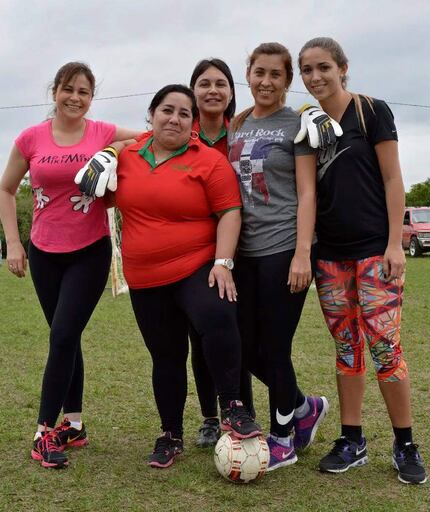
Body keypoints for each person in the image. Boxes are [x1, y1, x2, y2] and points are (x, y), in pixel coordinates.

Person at [0, 61, 141, 469]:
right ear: (54, 91)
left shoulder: (102, 132)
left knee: (62, 335)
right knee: (66, 336)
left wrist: (113, 150)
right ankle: (74, 424)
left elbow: (148, 139)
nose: (75, 98)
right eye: (68, 89)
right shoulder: (31, 138)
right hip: (43, 253)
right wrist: (12, 243)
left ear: (92, 98)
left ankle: (44, 432)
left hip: (89, 251)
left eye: (84, 92)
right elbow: (6, 190)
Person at [298, 36, 427, 484]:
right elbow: (308, 192)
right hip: (330, 257)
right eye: (307, 70)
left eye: (323, 68)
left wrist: (395, 244)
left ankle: (405, 443)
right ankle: (351, 440)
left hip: (375, 251)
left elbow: (393, 178)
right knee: (347, 347)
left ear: (343, 68)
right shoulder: (307, 121)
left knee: (385, 347)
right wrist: (304, 252)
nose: (315, 77)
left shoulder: (372, 111)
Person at [113, 84, 260, 469]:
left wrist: (222, 262)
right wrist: (104, 154)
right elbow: (99, 143)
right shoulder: (127, 155)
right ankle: (170, 434)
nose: (174, 118)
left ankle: (233, 406)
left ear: (193, 123)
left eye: (183, 113)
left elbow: (230, 211)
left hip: (197, 265)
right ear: (151, 114)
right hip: (144, 276)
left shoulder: (208, 161)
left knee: (217, 316)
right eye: (167, 110)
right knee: (166, 356)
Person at [227, 42, 328, 471]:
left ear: (287, 80)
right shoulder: (238, 122)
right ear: (247, 74)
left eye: (276, 75)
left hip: (285, 248)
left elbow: (308, 191)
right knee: (246, 349)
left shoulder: (299, 122)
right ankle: (304, 408)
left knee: (275, 346)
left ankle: (283, 437)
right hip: (244, 252)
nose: (266, 82)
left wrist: (302, 253)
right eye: (259, 72)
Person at [185, 58, 256, 448]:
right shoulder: (180, 132)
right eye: (204, 83)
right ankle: (210, 417)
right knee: (203, 335)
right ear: (192, 90)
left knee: (238, 332)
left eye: (221, 84)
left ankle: (241, 409)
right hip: (196, 250)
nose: (213, 90)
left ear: (231, 92)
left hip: (245, 247)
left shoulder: (244, 130)